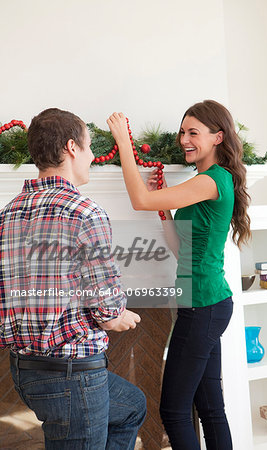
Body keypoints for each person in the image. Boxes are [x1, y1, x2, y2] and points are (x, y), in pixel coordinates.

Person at [107, 100, 251, 450]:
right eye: (182, 131)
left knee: (173, 411)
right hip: (207, 301)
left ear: (218, 137)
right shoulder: (208, 181)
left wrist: (124, 143)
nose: (184, 139)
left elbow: (140, 199)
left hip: (202, 305)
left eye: (194, 133)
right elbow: (181, 249)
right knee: (211, 409)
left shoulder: (211, 179)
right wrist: (168, 214)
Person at [0, 108, 146, 450]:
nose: (93, 155)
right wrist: (119, 317)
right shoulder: (86, 213)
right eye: (90, 145)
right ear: (71, 147)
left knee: (131, 406)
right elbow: (107, 310)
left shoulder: (7, 214)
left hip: (24, 371)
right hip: (70, 374)